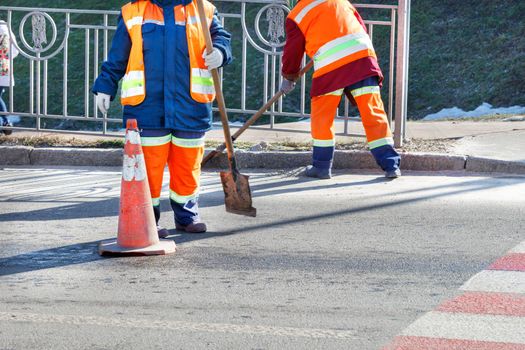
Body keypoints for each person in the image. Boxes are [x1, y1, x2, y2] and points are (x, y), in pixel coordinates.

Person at [92, 0, 232, 234]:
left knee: (187, 164)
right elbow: (118, 56)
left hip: (191, 105)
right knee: (149, 167)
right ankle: (148, 220)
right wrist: (105, 85)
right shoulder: (133, 11)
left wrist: (220, 52)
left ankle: (187, 214)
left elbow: (221, 37)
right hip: (148, 107)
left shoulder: (204, 9)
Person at [280, 0, 401, 179]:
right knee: (372, 111)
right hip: (363, 58)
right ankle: (391, 164)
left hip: (330, 67)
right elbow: (358, 25)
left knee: (322, 116)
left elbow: (293, 49)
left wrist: (289, 76)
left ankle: (321, 167)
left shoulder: (296, 15)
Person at [0, 20, 19, 136]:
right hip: (4, 67)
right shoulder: (5, 27)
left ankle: (6, 122)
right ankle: (6, 123)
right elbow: (15, 50)